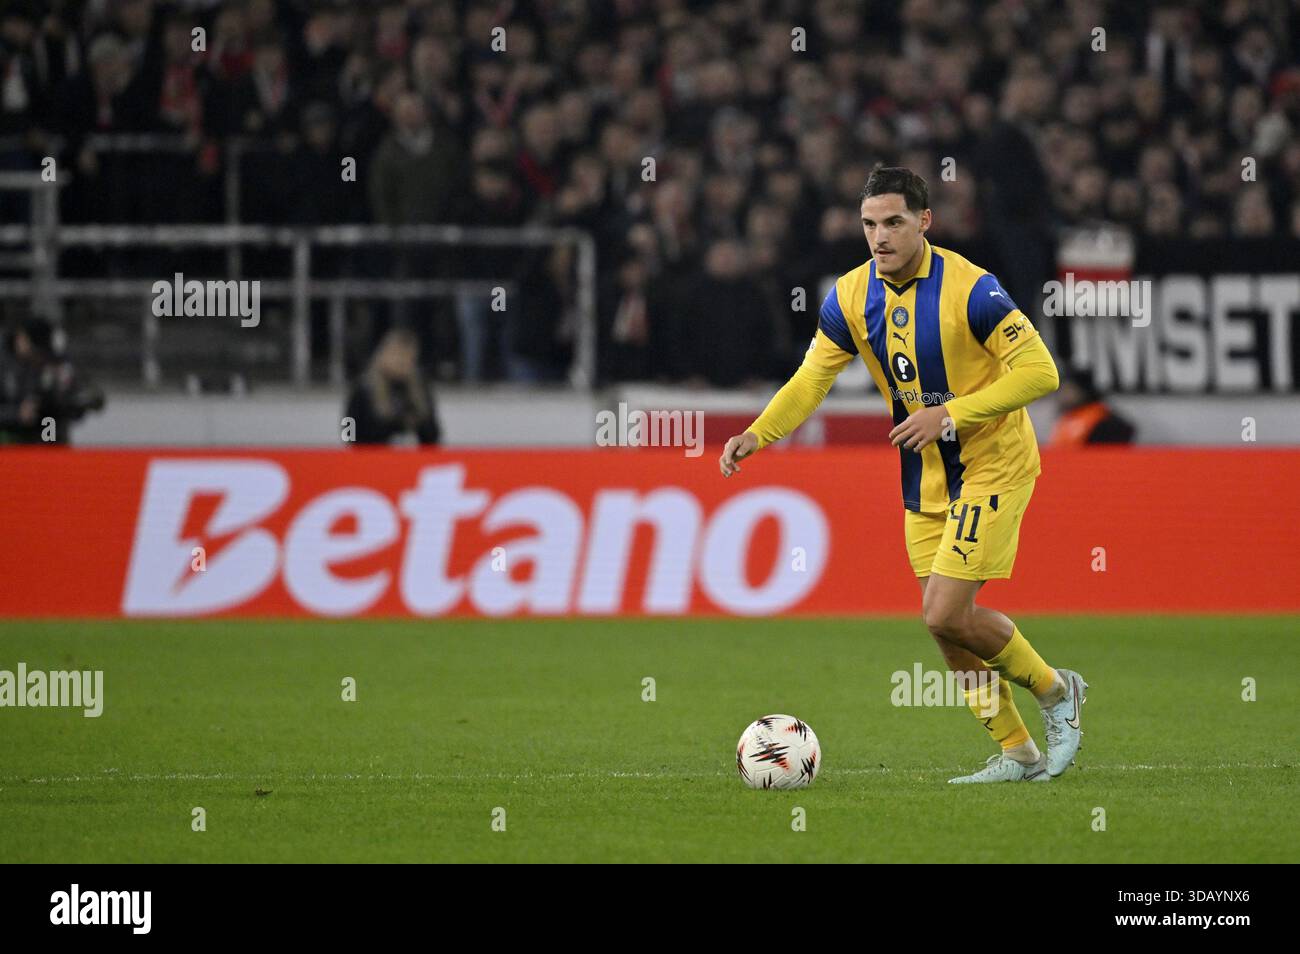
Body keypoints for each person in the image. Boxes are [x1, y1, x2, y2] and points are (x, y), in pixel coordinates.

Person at [719, 166, 1087, 784]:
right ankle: (1018, 751)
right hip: (926, 476)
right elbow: (812, 379)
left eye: (893, 222)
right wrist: (761, 432)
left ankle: (1056, 692)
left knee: (944, 611)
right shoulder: (850, 295)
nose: (880, 237)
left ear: (924, 221)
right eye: (869, 224)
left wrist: (949, 414)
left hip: (993, 463)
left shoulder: (972, 288)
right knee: (945, 627)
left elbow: (1041, 374)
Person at [0, 318, 104, 444]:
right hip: (13, 437)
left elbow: (93, 398)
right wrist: (17, 413)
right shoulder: (7, 366)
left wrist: (67, 399)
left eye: (23, 338)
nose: (19, 342)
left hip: (50, 435)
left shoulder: (58, 366)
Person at [344, 328, 441, 446]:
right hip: (370, 457)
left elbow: (434, 434)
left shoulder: (420, 389)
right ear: (383, 355)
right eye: (398, 356)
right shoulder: (363, 389)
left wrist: (417, 424)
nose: (404, 362)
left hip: (411, 459)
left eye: (409, 358)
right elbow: (348, 429)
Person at [1051, 367, 1137, 445]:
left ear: (1083, 391)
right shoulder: (1068, 419)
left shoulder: (1104, 421)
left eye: (1068, 390)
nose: (1063, 395)